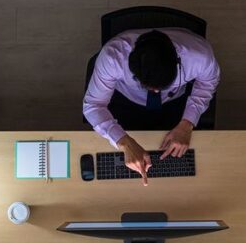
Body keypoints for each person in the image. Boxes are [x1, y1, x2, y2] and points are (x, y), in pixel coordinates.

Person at [83, 28, 220, 186]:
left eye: (161, 85)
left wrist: (187, 124)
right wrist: (124, 142)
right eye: (149, 86)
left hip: (175, 101)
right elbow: (93, 105)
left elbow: (207, 84)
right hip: (125, 100)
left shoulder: (200, 56)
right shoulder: (113, 57)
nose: (155, 91)